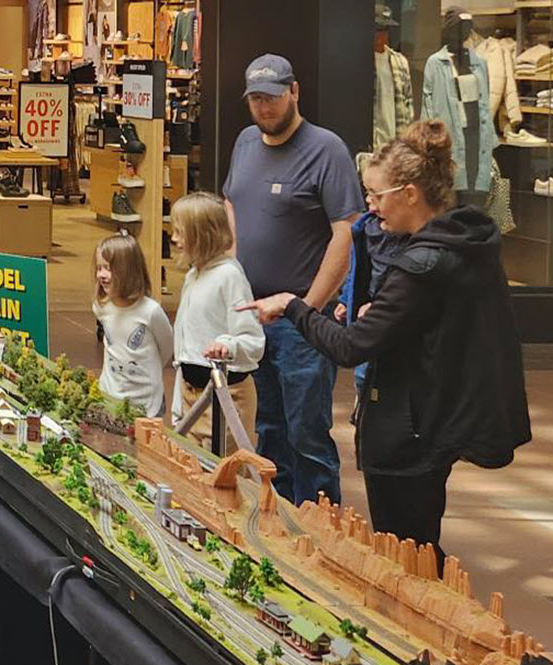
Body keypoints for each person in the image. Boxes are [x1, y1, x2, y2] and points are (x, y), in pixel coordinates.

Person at [239, 120, 531, 574]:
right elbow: (433, 322)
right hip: (435, 421)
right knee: (418, 545)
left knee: (405, 558)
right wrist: (385, 315)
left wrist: (295, 307)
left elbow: (351, 347)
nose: (371, 208)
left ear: (410, 193)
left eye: (377, 195)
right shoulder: (460, 243)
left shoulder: (419, 264)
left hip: (407, 432)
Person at [223, 53, 364, 506]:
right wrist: (230, 270)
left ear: (295, 92)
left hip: (300, 324)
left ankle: (320, 531)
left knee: (307, 434)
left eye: (273, 98)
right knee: (268, 431)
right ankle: (277, 525)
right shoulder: (246, 142)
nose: (264, 108)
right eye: (256, 99)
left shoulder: (326, 150)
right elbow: (231, 201)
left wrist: (307, 309)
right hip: (251, 313)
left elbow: (347, 232)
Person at [170, 192, 265, 455]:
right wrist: (180, 399)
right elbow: (186, 345)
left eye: (180, 231)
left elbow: (252, 340)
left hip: (225, 400)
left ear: (202, 234)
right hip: (193, 397)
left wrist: (227, 345)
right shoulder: (194, 275)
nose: (174, 238)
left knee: (226, 477)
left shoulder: (229, 276)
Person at [334, 200, 410, 396]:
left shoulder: (417, 240)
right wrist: (346, 298)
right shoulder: (366, 228)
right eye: (368, 193)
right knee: (364, 378)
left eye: (377, 195)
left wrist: (379, 308)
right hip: (369, 324)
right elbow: (358, 268)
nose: (369, 203)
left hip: (395, 332)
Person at [93, 233, 173, 418]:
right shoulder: (102, 307)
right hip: (110, 395)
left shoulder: (150, 311)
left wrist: (146, 368)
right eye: (99, 268)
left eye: (108, 269)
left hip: (147, 403)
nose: (102, 275)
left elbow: (167, 347)